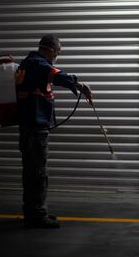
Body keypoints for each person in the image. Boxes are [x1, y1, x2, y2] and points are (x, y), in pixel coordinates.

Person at [16, 34, 93, 228]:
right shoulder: (37, 63)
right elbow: (57, 75)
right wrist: (79, 84)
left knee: (33, 173)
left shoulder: (31, 63)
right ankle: (36, 217)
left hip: (32, 128)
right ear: (50, 50)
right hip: (34, 129)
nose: (57, 55)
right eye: (58, 51)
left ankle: (34, 212)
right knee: (37, 174)